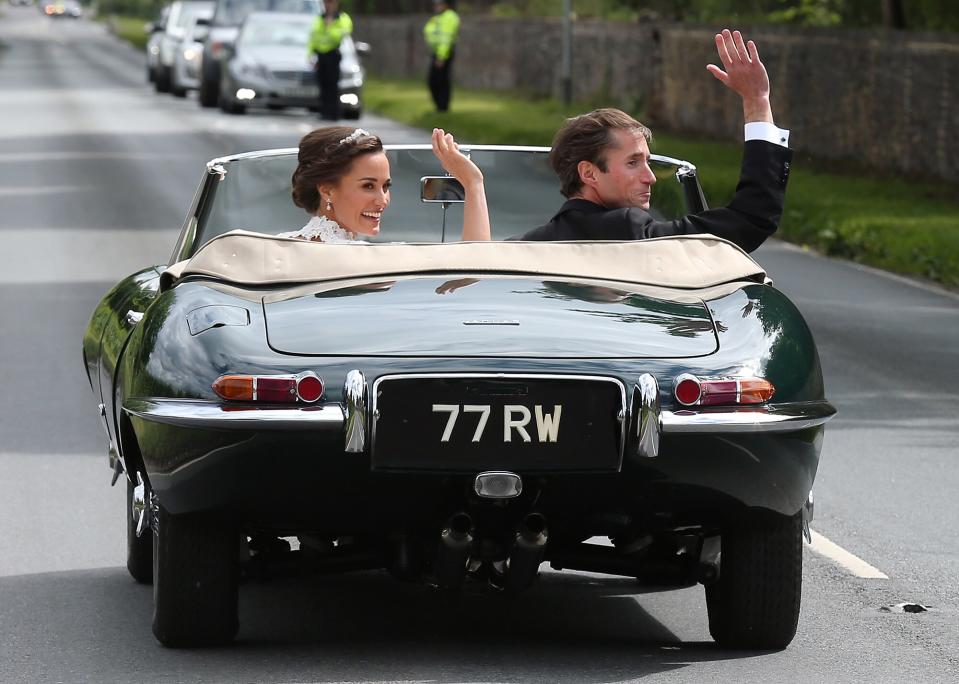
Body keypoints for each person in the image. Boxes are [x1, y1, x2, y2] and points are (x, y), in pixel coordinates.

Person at [515, 29, 792, 253]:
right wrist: (757, 102)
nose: (651, 178)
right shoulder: (627, 229)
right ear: (588, 173)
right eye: (633, 162)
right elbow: (752, 218)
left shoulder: (529, 246)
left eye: (647, 162)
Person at [281, 125, 490, 243]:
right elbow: (476, 265)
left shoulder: (283, 244)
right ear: (327, 190)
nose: (383, 201)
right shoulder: (370, 260)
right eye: (368, 186)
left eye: (386, 186)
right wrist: (473, 183)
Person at [308, 0, 352, 121]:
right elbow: (313, 36)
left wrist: (330, 26)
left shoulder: (343, 18)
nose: (328, 5)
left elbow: (341, 35)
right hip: (320, 56)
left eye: (331, 3)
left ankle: (334, 113)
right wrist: (310, 54)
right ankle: (324, 112)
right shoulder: (319, 19)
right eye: (326, 3)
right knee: (323, 84)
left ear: (337, 3)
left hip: (333, 55)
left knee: (332, 85)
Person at [423, 0, 460, 112]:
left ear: (446, 4)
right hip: (437, 52)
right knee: (434, 81)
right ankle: (439, 106)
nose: (437, 6)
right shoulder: (438, 17)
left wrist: (441, 57)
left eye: (439, 4)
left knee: (441, 81)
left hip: (443, 53)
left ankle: (443, 107)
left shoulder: (450, 17)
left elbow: (446, 39)